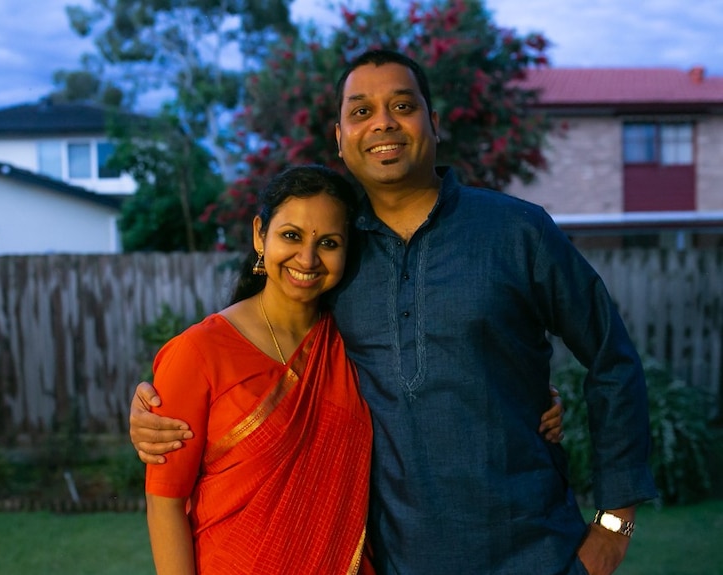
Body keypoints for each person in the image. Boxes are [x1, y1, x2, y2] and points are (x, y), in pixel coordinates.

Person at [133, 49, 647, 575]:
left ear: (434, 123)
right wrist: (153, 413)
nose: (382, 122)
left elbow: (612, 358)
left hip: (534, 552)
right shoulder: (336, 252)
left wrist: (614, 523)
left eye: (402, 105)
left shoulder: (517, 232)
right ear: (339, 137)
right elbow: (255, 355)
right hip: (394, 560)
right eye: (361, 111)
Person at [143, 165, 375, 574]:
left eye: (329, 242)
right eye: (291, 235)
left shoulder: (355, 344)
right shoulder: (199, 352)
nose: (307, 258)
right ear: (259, 235)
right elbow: (165, 504)